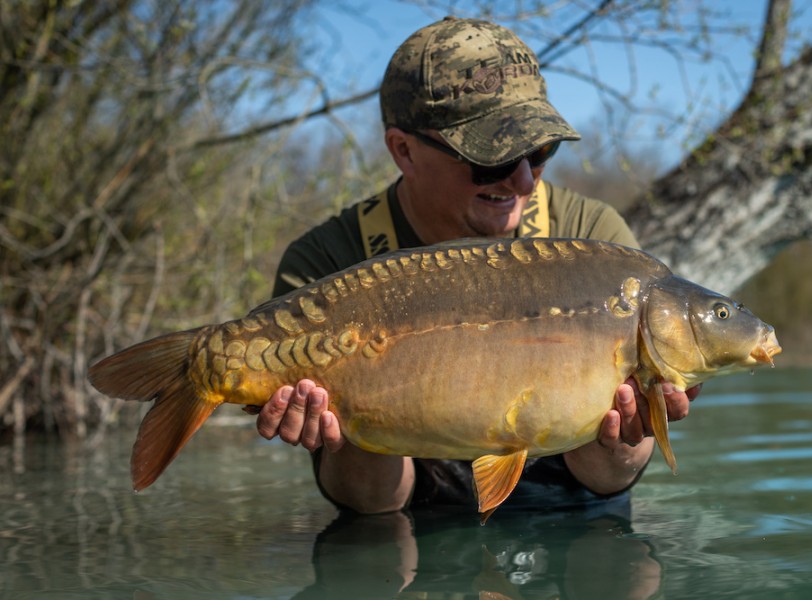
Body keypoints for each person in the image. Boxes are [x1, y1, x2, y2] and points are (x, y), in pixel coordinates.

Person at [255, 16, 700, 515]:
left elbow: (606, 482)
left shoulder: (598, 245)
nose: (525, 182)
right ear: (404, 150)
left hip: (569, 509)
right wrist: (352, 413)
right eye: (492, 159)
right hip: (403, 524)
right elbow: (373, 505)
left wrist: (632, 426)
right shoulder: (327, 264)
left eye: (539, 152)